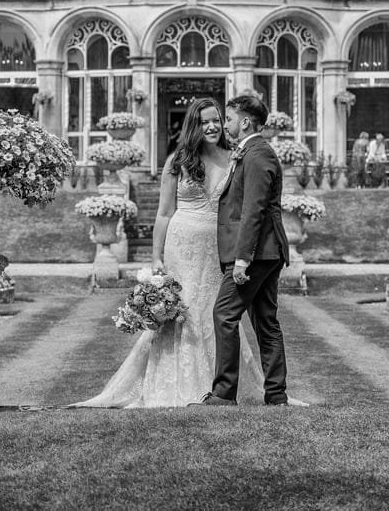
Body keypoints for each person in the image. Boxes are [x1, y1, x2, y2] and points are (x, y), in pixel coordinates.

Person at [74, 97, 270, 408]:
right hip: (182, 244)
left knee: (216, 311)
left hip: (218, 246)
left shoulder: (235, 157)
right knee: (185, 310)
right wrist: (156, 257)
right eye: (205, 121)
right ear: (193, 125)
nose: (212, 126)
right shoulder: (177, 161)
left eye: (217, 120)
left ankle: (221, 386)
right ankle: (178, 382)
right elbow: (164, 214)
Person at [196, 94, 293, 407]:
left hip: (257, 254)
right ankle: (276, 394)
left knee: (224, 314)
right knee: (266, 321)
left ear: (246, 121)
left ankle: (224, 393)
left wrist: (241, 260)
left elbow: (253, 210)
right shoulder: (249, 152)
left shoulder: (257, 154)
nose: (226, 124)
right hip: (265, 252)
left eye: (229, 118)